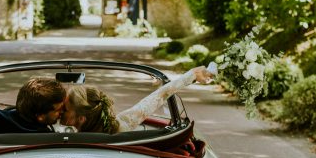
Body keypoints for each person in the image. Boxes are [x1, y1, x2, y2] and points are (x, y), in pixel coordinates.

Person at [61, 66, 215, 134]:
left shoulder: (67, 141)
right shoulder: (122, 125)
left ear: (81, 118)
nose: (60, 109)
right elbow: (158, 97)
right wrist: (192, 75)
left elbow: (159, 95)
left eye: (65, 109)